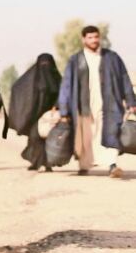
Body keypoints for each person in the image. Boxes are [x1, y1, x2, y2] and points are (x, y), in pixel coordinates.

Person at [56, 26, 136, 178]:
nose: (94, 40)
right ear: (83, 39)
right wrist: (64, 109)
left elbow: (124, 79)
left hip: (109, 104)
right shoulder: (76, 60)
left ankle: (112, 165)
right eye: (90, 37)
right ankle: (84, 165)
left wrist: (131, 101)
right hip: (83, 105)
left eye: (96, 37)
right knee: (86, 136)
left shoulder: (112, 58)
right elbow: (66, 85)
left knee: (110, 131)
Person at [8, 53, 62, 171]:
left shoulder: (57, 79)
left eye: (47, 63)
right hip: (34, 113)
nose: (45, 66)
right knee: (34, 138)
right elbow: (19, 87)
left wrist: (56, 107)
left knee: (49, 138)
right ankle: (35, 162)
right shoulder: (32, 78)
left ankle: (48, 164)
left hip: (51, 114)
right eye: (43, 63)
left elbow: (63, 94)